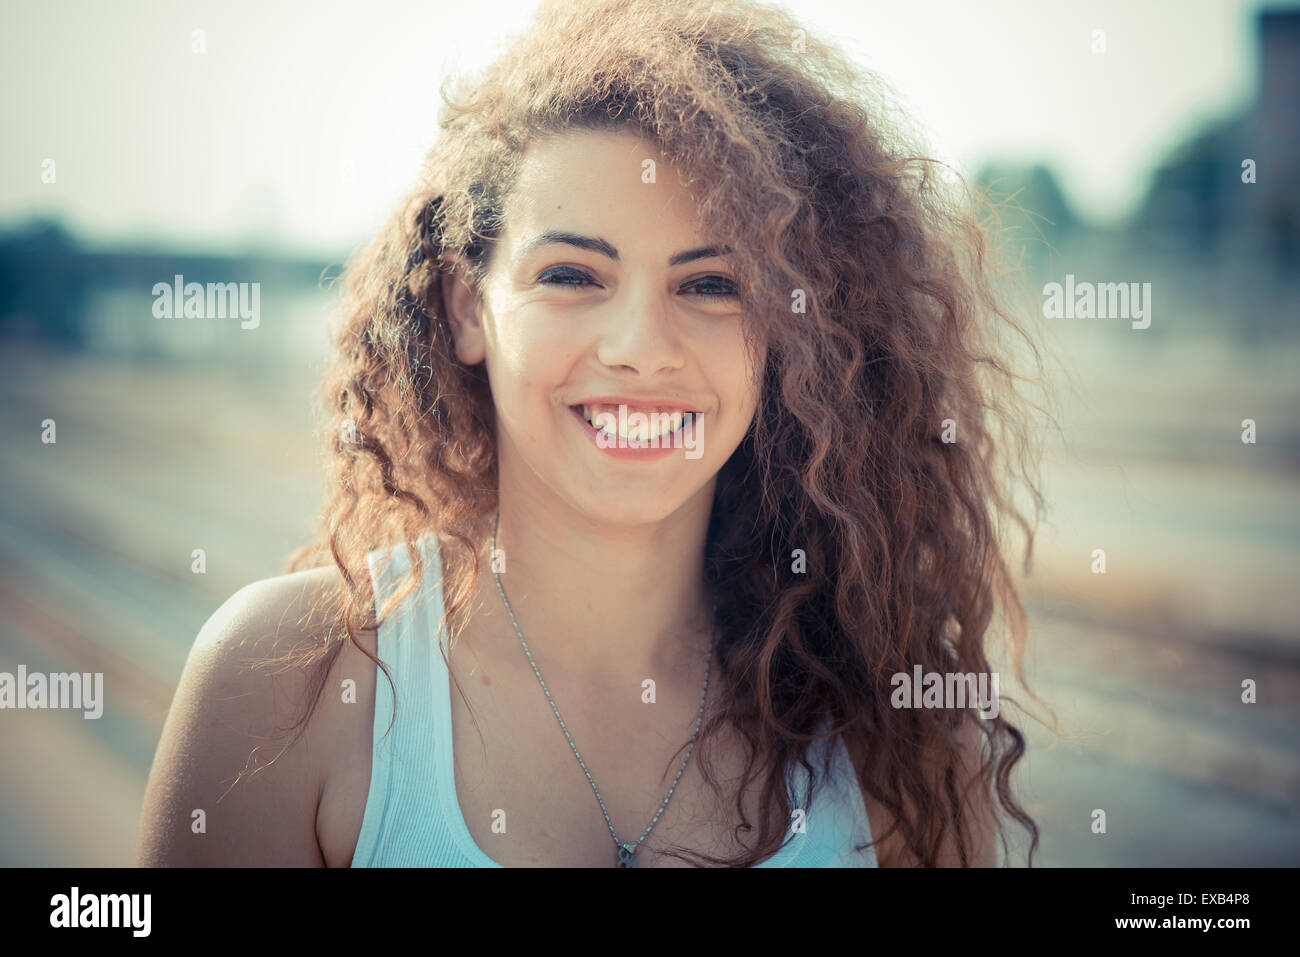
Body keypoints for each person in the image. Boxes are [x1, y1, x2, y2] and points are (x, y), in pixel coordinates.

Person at [136, 0, 1044, 868]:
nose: (642, 349)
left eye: (712, 284)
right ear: (466, 306)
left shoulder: (903, 739)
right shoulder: (281, 686)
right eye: (571, 274)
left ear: (792, 328)